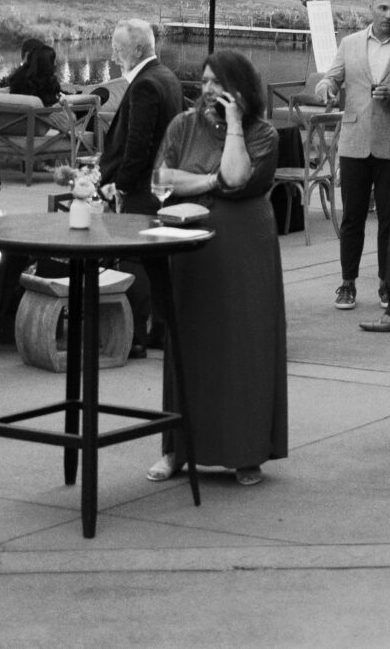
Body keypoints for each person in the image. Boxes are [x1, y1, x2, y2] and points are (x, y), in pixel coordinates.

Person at [145, 51, 288, 488]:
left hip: (243, 249)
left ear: (240, 89)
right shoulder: (182, 126)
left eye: (216, 82)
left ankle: (246, 453)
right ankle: (176, 449)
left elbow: (238, 177)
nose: (206, 89)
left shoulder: (263, 134)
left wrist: (234, 127)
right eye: (204, 81)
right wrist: (209, 183)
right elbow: (161, 181)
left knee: (243, 347)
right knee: (188, 344)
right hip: (189, 247)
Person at [317, 0, 390, 329]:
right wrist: (328, 89)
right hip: (355, 139)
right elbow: (330, 78)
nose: (389, 15)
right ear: (371, 8)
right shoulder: (350, 44)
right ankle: (347, 282)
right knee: (353, 217)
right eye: (383, 8)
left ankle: (386, 281)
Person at [98, 19, 184, 356]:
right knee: (156, 263)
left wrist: (119, 185)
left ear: (137, 49)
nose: (114, 54)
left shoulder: (147, 84)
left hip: (143, 188)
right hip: (158, 185)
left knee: (136, 261)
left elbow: (139, 143)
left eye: (118, 48)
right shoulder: (167, 77)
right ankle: (160, 329)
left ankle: (132, 335)